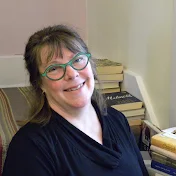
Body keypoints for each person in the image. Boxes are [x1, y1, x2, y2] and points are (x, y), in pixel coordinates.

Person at [2, 25, 149, 176]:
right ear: (39, 83)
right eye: (54, 68)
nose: (72, 74)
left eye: (78, 59)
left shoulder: (117, 119)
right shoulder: (28, 147)